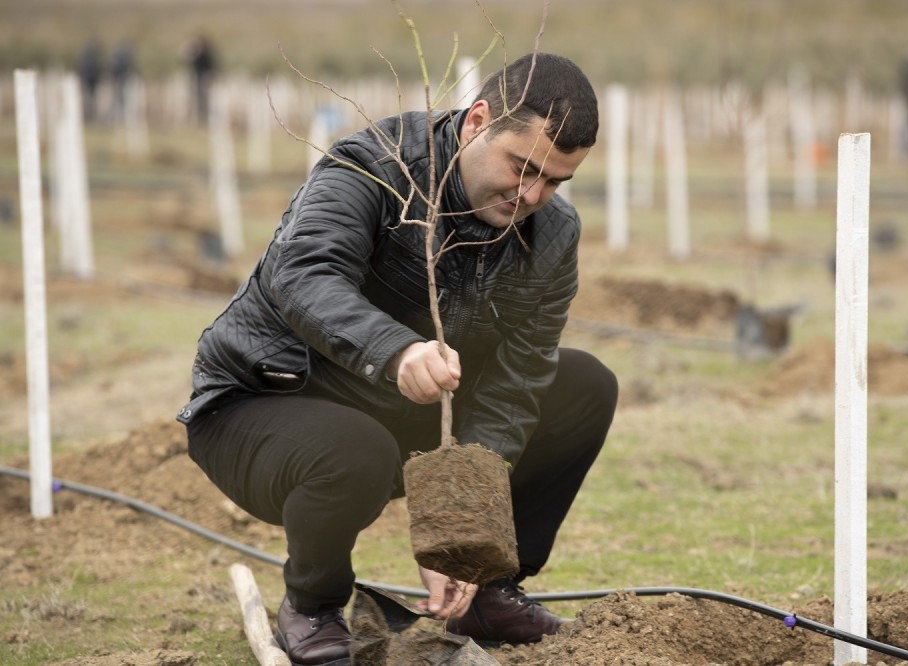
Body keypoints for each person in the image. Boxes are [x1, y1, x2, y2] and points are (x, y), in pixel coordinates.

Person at [177, 52, 617, 665]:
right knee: (354, 448)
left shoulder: (552, 236)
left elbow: (516, 384)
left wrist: (465, 541)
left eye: (554, 182)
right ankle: (313, 603)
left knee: (582, 386)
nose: (533, 194)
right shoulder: (373, 168)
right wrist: (395, 348)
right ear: (477, 121)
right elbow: (303, 276)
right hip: (266, 403)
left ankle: (488, 594)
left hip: (402, 418)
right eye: (523, 168)